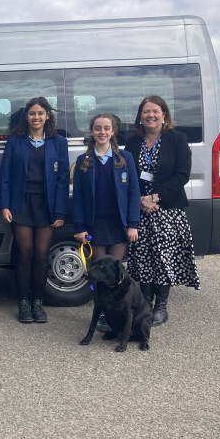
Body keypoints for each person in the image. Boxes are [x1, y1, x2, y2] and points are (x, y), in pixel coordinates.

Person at [126, 95, 201, 326]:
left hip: (167, 209)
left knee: (164, 258)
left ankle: (161, 307)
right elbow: (128, 174)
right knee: (143, 259)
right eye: (146, 112)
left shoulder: (177, 139)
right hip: (141, 210)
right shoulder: (133, 142)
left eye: (155, 111)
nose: (150, 115)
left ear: (164, 115)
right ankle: (146, 304)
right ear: (140, 117)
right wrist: (140, 199)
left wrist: (155, 197)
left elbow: (182, 174)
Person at [0, 97, 69, 323]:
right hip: (21, 204)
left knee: (41, 255)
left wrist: (60, 211)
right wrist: (5, 205)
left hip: (46, 206)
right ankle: (23, 303)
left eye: (40, 113)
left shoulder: (58, 142)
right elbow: (6, 176)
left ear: (48, 116)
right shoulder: (15, 141)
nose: (36, 117)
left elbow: (62, 179)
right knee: (24, 254)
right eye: (32, 113)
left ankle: (38, 302)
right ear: (26, 117)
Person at [72, 113, 141, 332]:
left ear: (113, 132)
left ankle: (116, 313)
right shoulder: (83, 161)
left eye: (106, 128)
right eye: (98, 128)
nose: (102, 132)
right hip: (96, 225)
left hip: (118, 225)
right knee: (99, 273)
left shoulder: (125, 158)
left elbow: (133, 192)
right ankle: (100, 314)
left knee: (115, 273)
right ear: (92, 131)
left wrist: (133, 224)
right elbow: (79, 198)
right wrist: (81, 227)